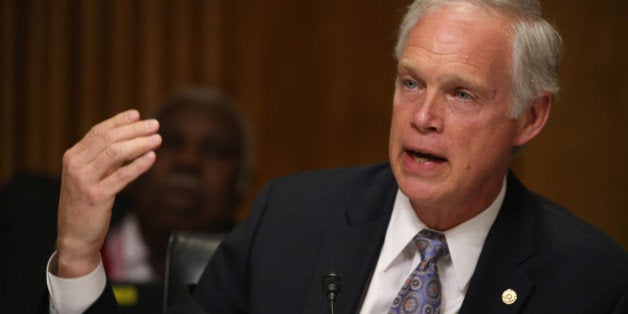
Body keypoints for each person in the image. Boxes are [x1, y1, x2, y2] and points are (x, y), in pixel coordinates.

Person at [43, 0, 627, 313]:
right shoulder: (290, 220)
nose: (424, 116)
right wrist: (76, 257)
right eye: (410, 82)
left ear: (530, 117)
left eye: (462, 93)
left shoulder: (590, 281)